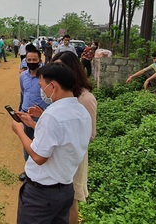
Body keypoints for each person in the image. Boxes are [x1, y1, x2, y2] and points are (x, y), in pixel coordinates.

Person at [11, 63, 92, 224]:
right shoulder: (82, 112)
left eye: (42, 86)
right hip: (65, 189)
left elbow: (39, 156)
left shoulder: (52, 115)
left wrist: (19, 130)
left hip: (41, 195)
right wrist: (33, 124)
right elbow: (60, 139)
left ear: (53, 86)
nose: (42, 90)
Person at [52, 51, 97, 224]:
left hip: (74, 157)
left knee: (71, 200)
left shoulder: (85, 98)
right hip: (58, 155)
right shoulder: (63, 93)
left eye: (61, 67)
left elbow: (90, 134)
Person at [17, 48, 46, 181]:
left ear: (40, 60)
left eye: (34, 60)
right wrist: (20, 111)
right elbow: (23, 93)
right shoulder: (23, 76)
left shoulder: (45, 77)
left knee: (42, 146)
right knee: (27, 145)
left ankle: (41, 174)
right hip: (25, 116)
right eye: (29, 60)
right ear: (25, 61)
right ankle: (28, 171)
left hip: (41, 117)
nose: (32, 62)